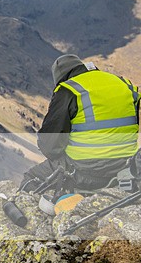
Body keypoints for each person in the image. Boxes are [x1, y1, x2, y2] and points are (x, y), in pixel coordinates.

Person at [24, 54, 140, 191]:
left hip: (86, 171)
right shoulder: (124, 84)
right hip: (128, 166)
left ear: (61, 77)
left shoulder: (69, 90)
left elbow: (50, 144)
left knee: (31, 177)